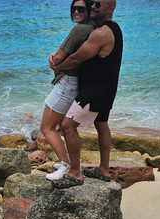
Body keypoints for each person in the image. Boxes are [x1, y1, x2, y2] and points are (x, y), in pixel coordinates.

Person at [49, 0, 123, 188]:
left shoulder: (101, 33)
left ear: (110, 9)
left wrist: (58, 67)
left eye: (99, 4)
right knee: (101, 124)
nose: (93, 7)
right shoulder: (115, 28)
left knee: (67, 126)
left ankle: (75, 173)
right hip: (108, 88)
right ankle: (104, 170)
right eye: (93, 3)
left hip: (94, 90)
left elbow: (75, 59)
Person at [41, 0, 94, 181]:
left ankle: (65, 165)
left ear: (89, 11)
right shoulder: (91, 30)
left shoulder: (79, 30)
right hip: (76, 82)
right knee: (66, 127)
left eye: (81, 9)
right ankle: (73, 164)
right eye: (74, 9)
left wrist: (53, 60)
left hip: (66, 84)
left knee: (47, 128)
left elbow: (58, 57)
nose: (76, 12)